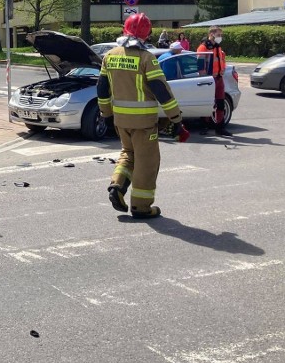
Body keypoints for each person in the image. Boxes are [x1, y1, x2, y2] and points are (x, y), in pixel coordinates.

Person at [97, 13, 184, 219]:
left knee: (128, 154)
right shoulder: (147, 58)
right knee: (147, 163)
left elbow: (102, 89)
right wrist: (176, 119)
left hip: (121, 121)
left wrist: (106, 114)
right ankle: (141, 207)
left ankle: (117, 185)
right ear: (147, 34)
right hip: (144, 123)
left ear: (124, 30)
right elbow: (161, 91)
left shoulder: (110, 56)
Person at [197, 25, 232, 137]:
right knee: (207, 103)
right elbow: (200, 65)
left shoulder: (218, 47)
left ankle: (220, 128)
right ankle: (204, 126)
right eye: (218, 35)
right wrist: (205, 77)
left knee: (220, 103)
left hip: (218, 78)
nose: (220, 37)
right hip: (209, 79)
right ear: (211, 34)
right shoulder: (203, 47)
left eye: (221, 35)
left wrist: (223, 70)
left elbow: (222, 59)